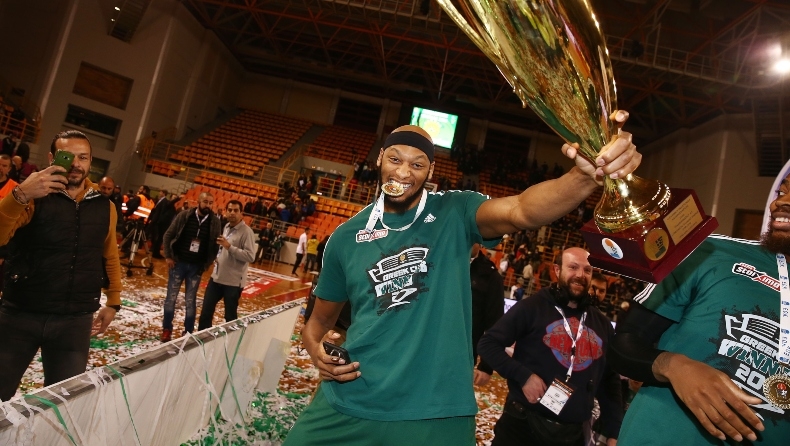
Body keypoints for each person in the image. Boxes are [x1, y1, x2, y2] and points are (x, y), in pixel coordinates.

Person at [284, 115, 639, 445]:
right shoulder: (346, 238)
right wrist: (316, 350)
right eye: (395, 159)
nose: (404, 172)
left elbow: (522, 210)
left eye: (417, 164)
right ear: (379, 159)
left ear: (430, 170)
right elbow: (318, 323)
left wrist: (584, 176)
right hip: (350, 399)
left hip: (437, 412)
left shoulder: (455, 210)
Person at [607, 179, 790, 445]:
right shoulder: (711, 251)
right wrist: (675, 367)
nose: (781, 202)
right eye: (782, 192)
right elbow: (622, 345)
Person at [0, 130, 121, 401]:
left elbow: (109, 254)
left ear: (90, 162)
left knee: (64, 404)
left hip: (73, 321)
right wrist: (20, 194)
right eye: (68, 156)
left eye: (83, 157)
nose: (76, 164)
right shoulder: (32, 195)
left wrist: (114, 300)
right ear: (52, 158)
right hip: (21, 314)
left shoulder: (105, 206)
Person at [479, 248, 622, 446]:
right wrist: (523, 376)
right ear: (557, 270)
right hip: (521, 428)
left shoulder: (602, 325)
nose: (580, 275)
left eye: (587, 270)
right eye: (573, 267)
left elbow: (610, 381)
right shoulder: (532, 307)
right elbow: (488, 344)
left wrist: (614, 432)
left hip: (571, 436)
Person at [161, 192, 221, 342]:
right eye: (205, 202)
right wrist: (168, 256)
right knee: (171, 299)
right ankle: (167, 329)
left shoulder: (215, 222)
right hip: (178, 263)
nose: (208, 205)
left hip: (196, 267)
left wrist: (206, 264)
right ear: (198, 202)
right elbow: (168, 235)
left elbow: (215, 246)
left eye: (211, 203)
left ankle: (188, 331)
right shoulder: (184, 216)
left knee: (190, 300)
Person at [197, 200, 256, 330]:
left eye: (235, 210)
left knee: (230, 317)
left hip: (233, 283)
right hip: (216, 278)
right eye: (229, 210)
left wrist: (229, 247)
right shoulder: (226, 227)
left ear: (241, 213)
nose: (232, 213)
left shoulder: (247, 232)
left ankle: (231, 340)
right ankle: (202, 338)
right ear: (225, 211)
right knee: (205, 312)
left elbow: (250, 256)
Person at [470, 243, 504, 387]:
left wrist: (486, 365)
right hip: (424, 351)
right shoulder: (438, 263)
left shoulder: (491, 276)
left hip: (460, 357)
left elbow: (495, 324)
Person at [148, 190, 179, 259]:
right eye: (173, 197)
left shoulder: (172, 206)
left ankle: (156, 252)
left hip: (166, 224)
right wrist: (178, 198)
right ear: (170, 198)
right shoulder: (167, 203)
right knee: (159, 238)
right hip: (163, 224)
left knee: (160, 238)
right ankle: (155, 253)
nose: (174, 199)